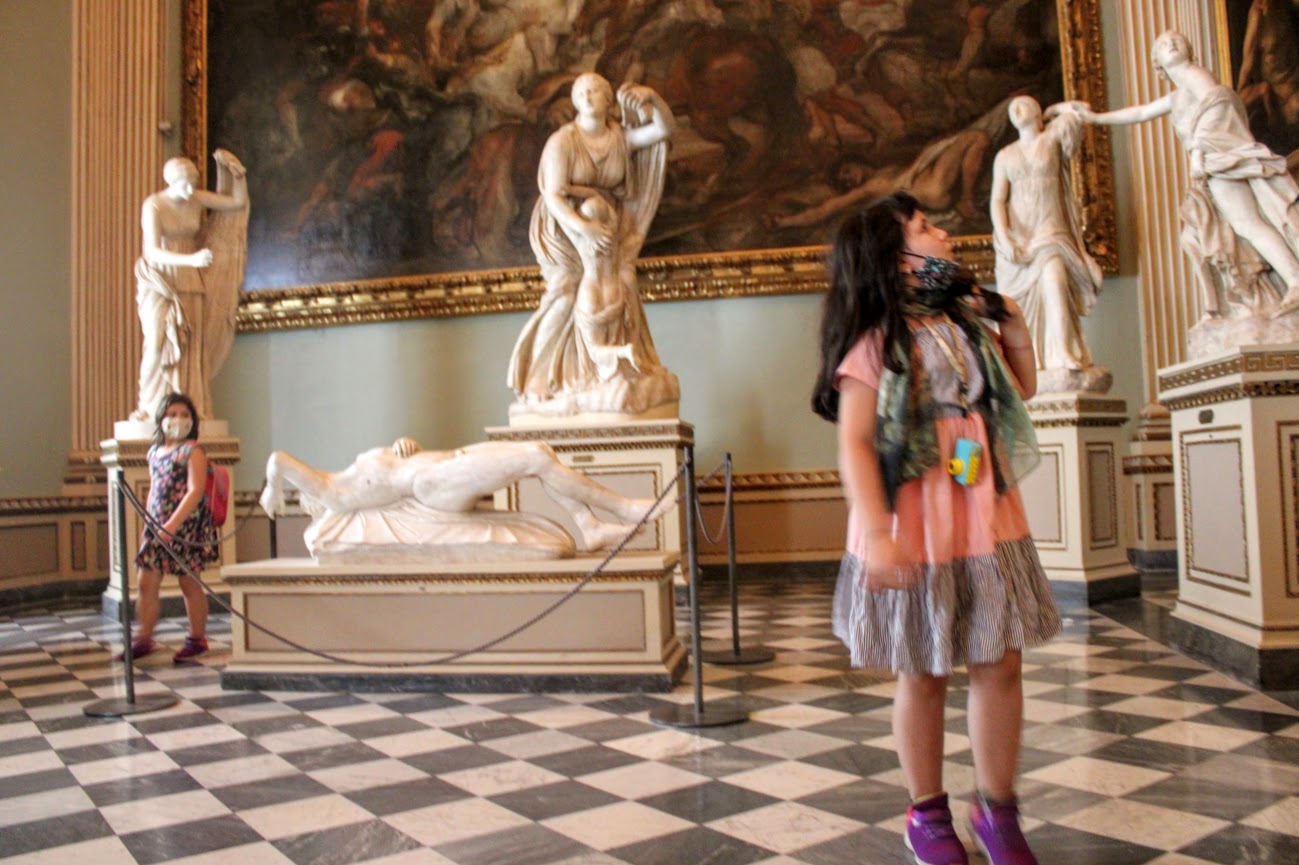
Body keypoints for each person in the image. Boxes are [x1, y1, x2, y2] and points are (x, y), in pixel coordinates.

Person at [811, 193, 1061, 865]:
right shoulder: (874, 339)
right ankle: (925, 814)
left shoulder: (964, 321)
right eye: (926, 228)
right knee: (923, 669)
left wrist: (1012, 322)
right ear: (896, 261)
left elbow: (1022, 387)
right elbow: (855, 443)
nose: (944, 232)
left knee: (999, 660)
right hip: (913, 516)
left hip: (980, 508)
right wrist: (878, 531)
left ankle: (997, 812)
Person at [1074, 30, 1299, 318]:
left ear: (1189, 52)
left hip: (1220, 158)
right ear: (1158, 64)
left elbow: (1217, 103)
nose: (1170, 42)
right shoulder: (1177, 95)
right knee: (1237, 227)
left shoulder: (1194, 72)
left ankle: (1292, 280)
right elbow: (1140, 113)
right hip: (1214, 162)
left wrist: (1197, 151)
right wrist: (1094, 118)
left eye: (1176, 40)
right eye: (1163, 44)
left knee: (1249, 224)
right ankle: (1281, 284)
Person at [506, 72, 679, 416]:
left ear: (608, 100)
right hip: (563, 224)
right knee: (565, 293)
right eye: (581, 91)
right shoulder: (563, 141)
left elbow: (663, 130)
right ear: (574, 100)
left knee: (623, 280)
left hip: (606, 221)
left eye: (595, 90)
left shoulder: (619, 138)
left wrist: (653, 99)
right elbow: (553, 195)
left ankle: (617, 370)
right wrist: (584, 228)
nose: (587, 96)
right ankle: (538, 380)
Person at [260, 437, 668, 555]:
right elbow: (279, 459)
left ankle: (590, 526)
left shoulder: (350, 471)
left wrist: (405, 444)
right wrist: (272, 489)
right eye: (307, 498)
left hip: (444, 461)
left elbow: (393, 460)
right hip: (430, 487)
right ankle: (624, 508)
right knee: (534, 458)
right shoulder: (334, 495)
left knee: (539, 450)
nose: (309, 496)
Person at [131, 150, 249, 425]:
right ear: (170, 182)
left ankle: (190, 407)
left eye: (193, 184)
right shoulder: (154, 206)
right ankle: (148, 406)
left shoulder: (194, 198)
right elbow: (152, 251)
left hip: (189, 279)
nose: (189, 190)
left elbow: (236, 203)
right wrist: (191, 260)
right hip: (161, 279)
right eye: (184, 184)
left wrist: (239, 176)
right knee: (156, 342)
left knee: (191, 346)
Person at [990, 95, 1103, 374]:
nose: (1016, 109)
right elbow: (997, 200)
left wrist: (1054, 110)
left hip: (1051, 232)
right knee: (1017, 308)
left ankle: (1063, 351)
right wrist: (1005, 237)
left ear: (1037, 111)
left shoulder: (1052, 140)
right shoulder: (1005, 155)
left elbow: (1081, 112)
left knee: (1055, 283)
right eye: (1012, 108)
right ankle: (1030, 364)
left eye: (1024, 104)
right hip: (1021, 240)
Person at [118, 392, 218, 665]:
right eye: (172, 414)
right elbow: (154, 490)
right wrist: (149, 523)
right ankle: (144, 638)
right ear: (161, 419)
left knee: (189, 582)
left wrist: (172, 525)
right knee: (146, 581)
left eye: (184, 415)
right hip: (157, 526)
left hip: (184, 526)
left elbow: (195, 490)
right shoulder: (154, 452)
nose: (178, 419)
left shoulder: (192, 451)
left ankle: (197, 639)